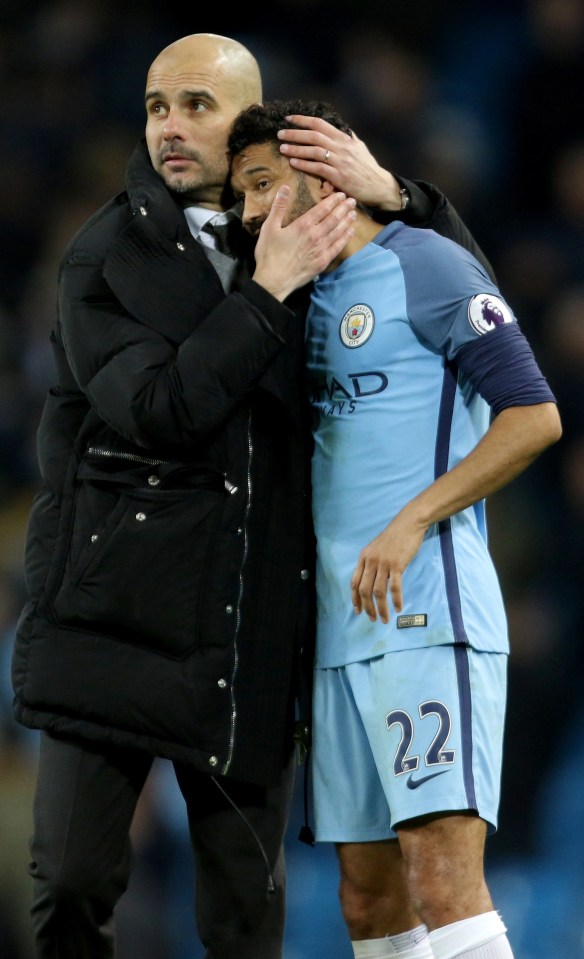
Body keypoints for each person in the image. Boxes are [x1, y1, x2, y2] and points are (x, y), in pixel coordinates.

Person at [11, 32, 495, 959]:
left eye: (197, 105)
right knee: (72, 888)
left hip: (247, 639)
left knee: (244, 922)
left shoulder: (310, 236)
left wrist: (400, 199)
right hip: (110, 629)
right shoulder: (104, 256)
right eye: (156, 106)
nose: (170, 128)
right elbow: (159, 410)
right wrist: (266, 293)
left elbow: (463, 307)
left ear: (250, 123)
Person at [227, 99, 562, 959]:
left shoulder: (428, 264)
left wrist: (413, 517)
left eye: (264, 183)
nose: (250, 210)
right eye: (239, 196)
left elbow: (534, 416)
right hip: (339, 632)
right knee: (367, 899)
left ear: (325, 169)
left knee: (442, 878)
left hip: (427, 611)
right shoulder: (294, 306)